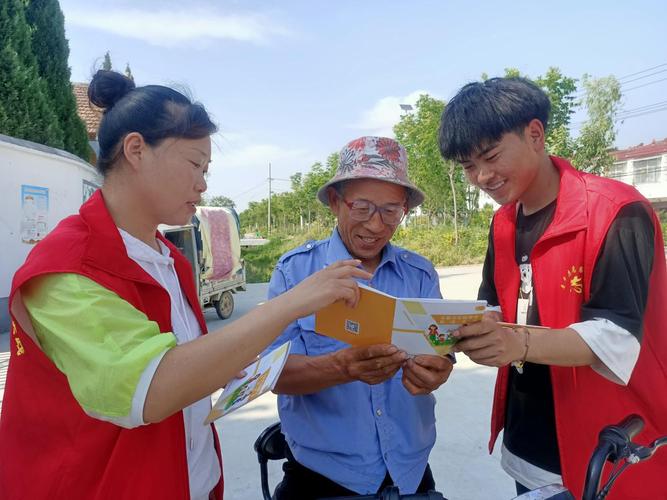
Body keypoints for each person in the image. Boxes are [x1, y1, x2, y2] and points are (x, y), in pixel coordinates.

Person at [0, 70, 370, 500]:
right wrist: (290, 303)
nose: (203, 183)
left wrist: (223, 365)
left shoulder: (168, 260)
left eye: (207, 168)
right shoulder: (67, 269)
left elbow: (180, 362)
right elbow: (150, 388)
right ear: (136, 150)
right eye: (195, 164)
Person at [438, 77, 667, 498]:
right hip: (528, 440)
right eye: (468, 166)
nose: (482, 176)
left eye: (490, 156)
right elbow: (491, 305)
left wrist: (517, 343)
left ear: (535, 134)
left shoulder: (615, 210)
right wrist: (447, 338)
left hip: (608, 442)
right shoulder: (503, 223)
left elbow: (615, 336)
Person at [266, 136, 454, 499]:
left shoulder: (419, 274)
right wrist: (343, 368)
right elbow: (274, 375)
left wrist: (437, 369)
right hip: (321, 477)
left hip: (410, 474)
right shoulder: (295, 273)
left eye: (391, 211)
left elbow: (440, 351)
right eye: (363, 207)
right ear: (336, 202)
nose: (376, 225)